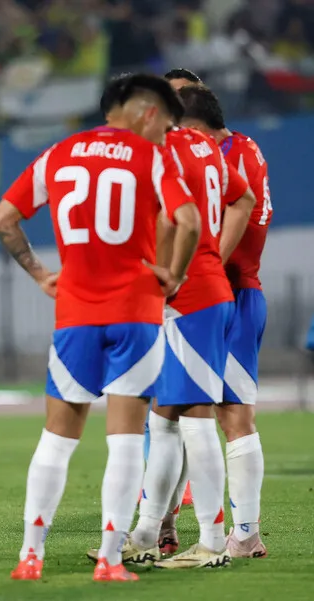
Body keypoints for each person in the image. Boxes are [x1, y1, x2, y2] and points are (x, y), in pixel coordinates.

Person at [0, 74, 200, 582]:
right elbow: (189, 221)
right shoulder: (152, 158)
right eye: (167, 125)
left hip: (75, 316)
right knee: (127, 440)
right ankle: (109, 560)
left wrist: (41, 274)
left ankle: (30, 556)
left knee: (57, 440)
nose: (166, 135)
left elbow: (3, 219)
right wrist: (172, 274)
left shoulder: (58, 154)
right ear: (148, 113)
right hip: (136, 312)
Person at [89, 81, 255, 570]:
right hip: (201, 292)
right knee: (163, 420)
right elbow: (240, 200)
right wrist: (213, 258)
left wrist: (170, 276)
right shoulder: (203, 146)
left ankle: (210, 541)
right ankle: (144, 531)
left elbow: (167, 220)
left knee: (197, 419)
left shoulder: (157, 151)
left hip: (186, 300)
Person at [159, 80, 272, 560]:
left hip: (222, 296)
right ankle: (161, 524)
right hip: (223, 294)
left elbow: (240, 213)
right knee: (178, 413)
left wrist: (202, 266)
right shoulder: (243, 148)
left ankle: (238, 533)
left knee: (223, 416)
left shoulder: (221, 152)